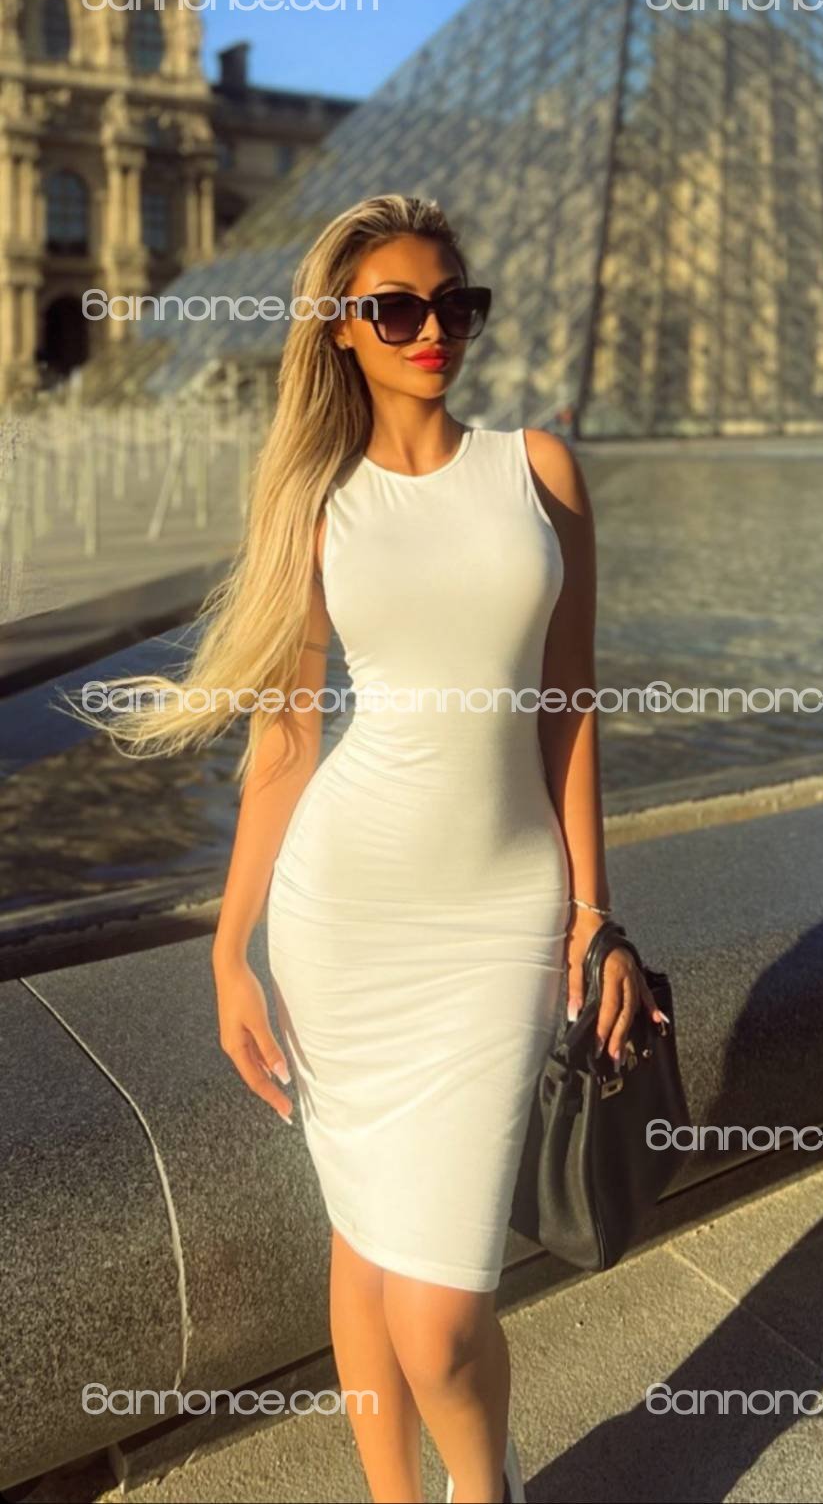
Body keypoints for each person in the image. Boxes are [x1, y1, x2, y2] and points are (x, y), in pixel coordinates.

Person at [72, 194, 662, 1504]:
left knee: (440, 1313)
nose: (431, 329)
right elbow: (285, 742)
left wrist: (594, 915)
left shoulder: (540, 469)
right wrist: (229, 948)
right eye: (396, 308)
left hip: (503, 918)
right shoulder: (315, 500)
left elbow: (569, 711)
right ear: (341, 327)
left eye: (456, 304)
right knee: (365, 1238)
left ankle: (483, 1485)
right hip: (341, 919)